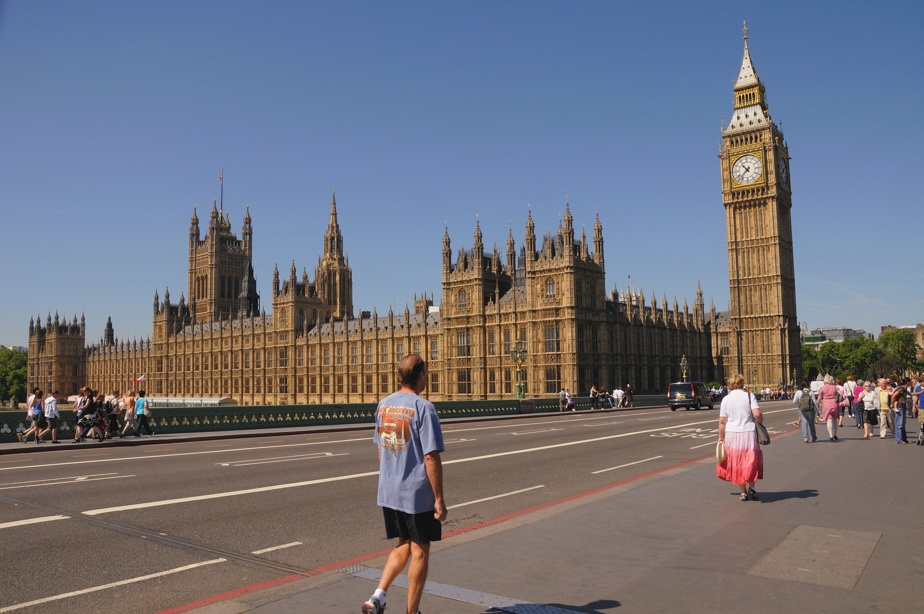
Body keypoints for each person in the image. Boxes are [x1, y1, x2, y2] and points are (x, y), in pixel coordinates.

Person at [362, 355, 446, 614]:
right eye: (426, 374)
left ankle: (377, 596)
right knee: (420, 549)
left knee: (404, 543)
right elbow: (430, 456)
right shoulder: (424, 407)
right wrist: (439, 498)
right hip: (415, 493)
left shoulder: (383, 405)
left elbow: (380, 450)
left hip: (389, 491)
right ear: (420, 376)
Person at [716, 373, 764, 501]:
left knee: (737, 463)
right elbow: (757, 414)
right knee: (751, 460)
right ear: (742, 384)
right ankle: (752, 487)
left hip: (732, 434)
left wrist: (721, 437)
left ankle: (743, 492)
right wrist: (760, 420)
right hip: (748, 433)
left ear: (730, 385)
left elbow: (722, 421)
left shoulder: (726, 399)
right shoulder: (749, 396)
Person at [816, 375, 841, 441]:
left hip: (826, 404)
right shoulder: (834, 387)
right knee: (835, 419)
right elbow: (841, 394)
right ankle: (835, 434)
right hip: (834, 403)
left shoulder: (823, 388)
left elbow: (819, 397)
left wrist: (817, 404)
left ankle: (831, 435)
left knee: (829, 419)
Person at [891, 378, 910, 444]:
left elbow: (911, 394)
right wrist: (892, 404)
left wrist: (921, 392)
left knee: (903, 423)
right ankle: (899, 440)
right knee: (899, 423)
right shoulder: (901, 389)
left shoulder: (904, 389)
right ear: (907, 382)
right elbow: (893, 396)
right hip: (899, 406)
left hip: (903, 406)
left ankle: (904, 439)